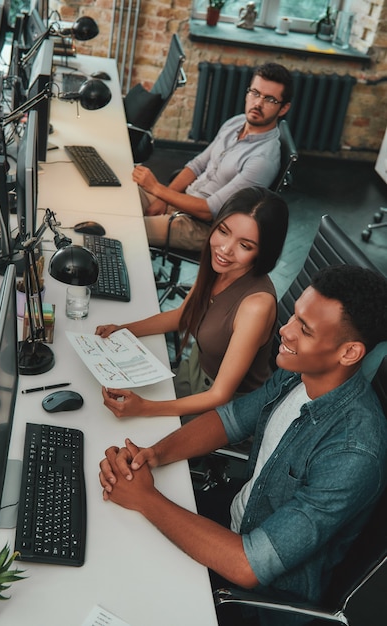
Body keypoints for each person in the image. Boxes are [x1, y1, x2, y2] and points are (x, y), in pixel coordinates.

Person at [99, 265, 387, 626]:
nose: (285, 331)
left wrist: (145, 497)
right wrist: (153, 454)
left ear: (348, 353)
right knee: (109, 537)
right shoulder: (299, 373)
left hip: (253, 599)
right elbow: (230, 419)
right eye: (294, 316)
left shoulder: (352, 454)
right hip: (234, 520)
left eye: (305, 329)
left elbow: (249, 565)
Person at [95, 186, 288, 420]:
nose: (225, 249)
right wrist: (124, 329)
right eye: (223, 231)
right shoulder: (219, 267)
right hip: (192, 375)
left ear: (263, 252)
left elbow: (220, 395)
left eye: (245, 245)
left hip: (224, 412)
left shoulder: (256, 306)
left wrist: (145, 408)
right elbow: (182, 316)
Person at [133, 62, 293, 251]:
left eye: (270, 99)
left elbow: (210, 211)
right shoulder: (236, 122)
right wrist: (164, 199)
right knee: (117, 196)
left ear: (283, 108)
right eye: (255, 93)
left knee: (125, 228)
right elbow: (197, 165)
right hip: (181, 200)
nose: (258, 103)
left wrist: (158, 190)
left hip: (203, 227)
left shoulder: (263, 160)